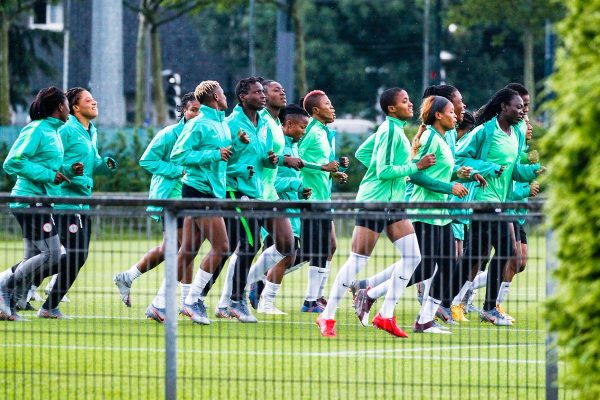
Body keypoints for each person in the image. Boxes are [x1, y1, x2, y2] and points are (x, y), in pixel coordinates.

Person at [316, 88, 435, 338]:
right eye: (405, 101)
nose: (410, 103)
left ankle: (385, 315)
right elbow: (383, 171)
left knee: (413, 257)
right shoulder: (390, 130)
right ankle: (326, 316)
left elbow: (362, 154)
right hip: (375, 202)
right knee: (358, 260)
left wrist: (386, 176)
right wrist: (415, 166)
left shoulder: (394, 129)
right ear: (392, 108)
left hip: (394, 203)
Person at [452, 87, 543, 326]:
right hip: (484, 200)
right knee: (507, 251)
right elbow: (458, 157)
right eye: (518, 107)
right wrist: (486, 168)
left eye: (524, 107)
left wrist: (533, 170)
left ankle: (440, 301)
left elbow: (514, 172)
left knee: (474, 256)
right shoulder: (485, 131)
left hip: (501, 202)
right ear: (503, 107)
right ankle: (489, 308)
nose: (523, 111)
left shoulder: (517, 135)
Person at [146, 80, 233, 325]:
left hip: (211, 191)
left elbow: (221, 153)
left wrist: (238, 142)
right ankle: (193, 300)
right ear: (215, 97)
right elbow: (179, 155)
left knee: (188, 250)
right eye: (223, 93)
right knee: (222, 247)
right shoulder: (198, 124)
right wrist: (214, 154)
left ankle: (158, 304)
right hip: (198, 190)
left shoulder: (219, 124)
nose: (226, 97)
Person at [34, 87, 116, 318]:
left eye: (94, 99)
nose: (95, 102)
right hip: (64, 201)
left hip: (83, 201)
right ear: (75, 107)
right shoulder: (66, 129)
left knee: (77, 255)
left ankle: (42, 300)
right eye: (88, 100)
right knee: (73, 254)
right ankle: (19, 285)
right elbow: (50, 160)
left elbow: (93, 161)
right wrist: (69, 170)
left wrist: (104, 164)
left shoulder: (92, 130)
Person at [0, 87, 80, 320]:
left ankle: (10, 305)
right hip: (29, 201)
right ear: (60, 107)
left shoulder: (54, 131)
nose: (69, 110)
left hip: (42, 202)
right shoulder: (36, 129)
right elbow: (12, 163)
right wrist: (48, 175)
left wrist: (67, 171)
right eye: (67, 104)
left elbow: (48, 168)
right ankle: (4, 285)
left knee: (34, 258)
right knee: (54, 254)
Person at [113, 92, 200, 308]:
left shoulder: (203, 134)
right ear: (184, 112)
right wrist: (177, 170)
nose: (197, 114)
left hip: (191, 195)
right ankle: (186, 302)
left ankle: (128, 277)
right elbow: (147, 160)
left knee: (173, 247)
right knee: (186, 247)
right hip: (171, 198)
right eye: (193, 110)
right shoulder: (169, 134)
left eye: (201, 110)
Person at [298, 90, 346, 313]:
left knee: (329, 246)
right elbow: (297, 159)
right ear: (316, 110)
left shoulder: (324, 132)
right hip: (311, 198)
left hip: (323, 197)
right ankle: (309, 300)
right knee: (311, 250)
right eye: (328, 104)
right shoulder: (310, 131)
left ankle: (317, 297)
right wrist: (323, 168)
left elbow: (321, 165)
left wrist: (334, 172)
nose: (332, 107)